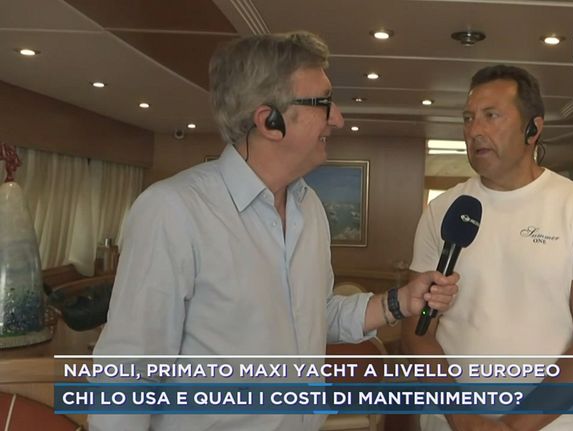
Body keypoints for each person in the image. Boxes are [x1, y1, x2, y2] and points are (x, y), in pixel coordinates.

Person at [89, 31, 459, 431]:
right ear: (269, 121)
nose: (337, 118)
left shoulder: (309, 207)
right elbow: (125, 376)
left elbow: (315, 315)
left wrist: (399, 301)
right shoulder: (173, 211)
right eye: (323, 103)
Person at [402, 65, 573, 431]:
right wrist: (460, 416)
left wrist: (512, 427)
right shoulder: (442, 210)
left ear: (533, 129)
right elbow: (416, 332)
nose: (475, 130)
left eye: (491, 116)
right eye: (468, 118)